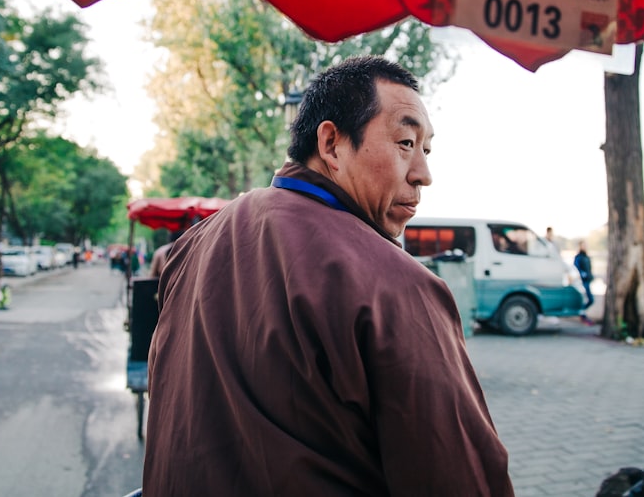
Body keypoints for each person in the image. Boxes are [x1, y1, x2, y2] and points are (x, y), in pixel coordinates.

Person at [142, 56, 513, 496]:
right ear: (332, 143)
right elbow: (459, 480)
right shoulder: (394, 284)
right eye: (406, 142)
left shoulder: (192, 246)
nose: (423, 174)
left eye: (426, 150)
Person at [574, 240, 595, 323]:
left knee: (590, 300)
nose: (584, 247)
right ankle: (582, 313)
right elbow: (576, 268)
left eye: (585, 245)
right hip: (582, 282)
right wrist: (582, 274)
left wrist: (591, 276)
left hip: (588, 281)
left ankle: (581, 312)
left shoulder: (587, 257)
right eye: (583, 245)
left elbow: (589, 268)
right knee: (587, 299)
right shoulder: (578, 257)